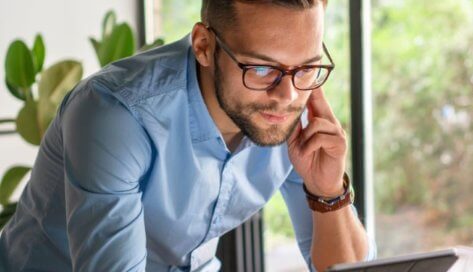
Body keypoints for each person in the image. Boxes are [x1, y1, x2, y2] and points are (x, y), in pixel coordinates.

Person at [0, 0, 376, 271]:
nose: (288, 95)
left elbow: (343, 269)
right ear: (204, 46)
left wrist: (328, 193)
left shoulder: (291, 107)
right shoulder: (115, 114)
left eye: (307, 68)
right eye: (261, 69)